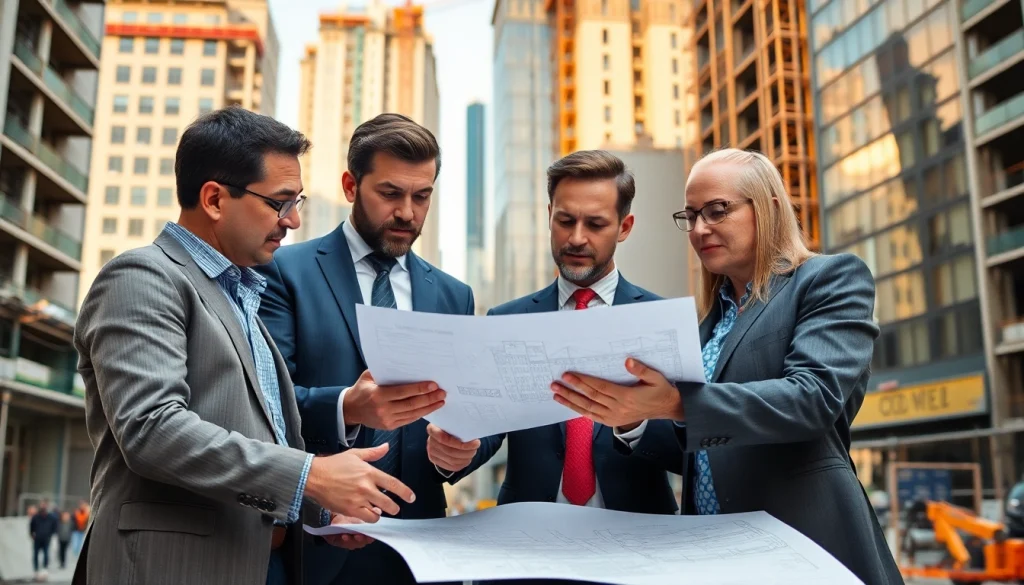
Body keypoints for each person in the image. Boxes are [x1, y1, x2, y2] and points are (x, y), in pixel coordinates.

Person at [72, 107, 406, 585]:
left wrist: (321, 511)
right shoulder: (143, 277)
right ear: (213, 199)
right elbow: (151, 428)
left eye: (298, 201)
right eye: (279, 202)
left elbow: (256, 439)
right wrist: (310, 476)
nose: (292, 221)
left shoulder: (243, 295)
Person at [549, 148, 904, 585]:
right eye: (691, 215)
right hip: (717, 556)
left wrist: (679, 403)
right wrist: (633, 417)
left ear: (769, 208)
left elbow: (812, 399)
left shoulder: (828, 279)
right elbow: (701, 449)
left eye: (717, 211)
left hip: (806, 545)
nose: (700, 229)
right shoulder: (705, 326)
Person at [429, 151, 682, 585]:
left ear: (625, 227)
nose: (577, 238)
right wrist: (456, 448)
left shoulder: (661, 321)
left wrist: (635, 420)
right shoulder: (506, 321)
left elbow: (688, 448)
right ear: (548, 216)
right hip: (527, 550)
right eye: (565, 221)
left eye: (596, 224)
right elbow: (488, 428)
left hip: (639, 549)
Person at [257, 112, 478, 585]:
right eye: (391, 194)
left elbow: (471, 410)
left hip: (421, 551)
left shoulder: (453, 296)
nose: (407, 213)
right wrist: (346, 408)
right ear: (350, 185)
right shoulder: (284, 271)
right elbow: (264, 401)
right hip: (316, 541)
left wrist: (462, 451)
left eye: (422, 197)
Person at [29, 500, 58, 577]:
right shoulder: (36, 517)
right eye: (42, 505)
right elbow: (31, 526)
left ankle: (45, 568)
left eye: (44, 505)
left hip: (46, 539)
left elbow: (54, 526)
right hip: (37, 539)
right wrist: (32, 534)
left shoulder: (51, 517)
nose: (43, 507)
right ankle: (36, 569)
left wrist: (51, 535)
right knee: (35, 554)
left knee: (46, 554)